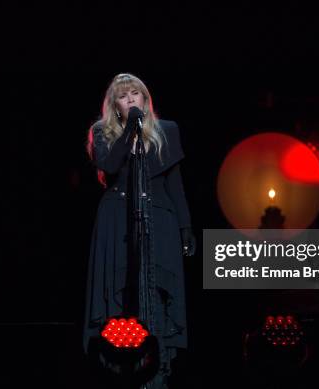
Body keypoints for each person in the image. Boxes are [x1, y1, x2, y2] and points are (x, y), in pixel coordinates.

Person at [83, 73, 196, 388]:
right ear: (115, 104)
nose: (131, 99)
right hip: (116, 221)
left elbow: (175, 184)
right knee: (122, 293)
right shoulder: (102, 133)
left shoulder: (166, 131)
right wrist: (130, 127)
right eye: (123, 96)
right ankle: (121, 368)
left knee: (158, 292)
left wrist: (185, 226)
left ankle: (159, 372)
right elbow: (110, 166)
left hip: (159, 220)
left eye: (136, 94)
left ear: (146, 100)